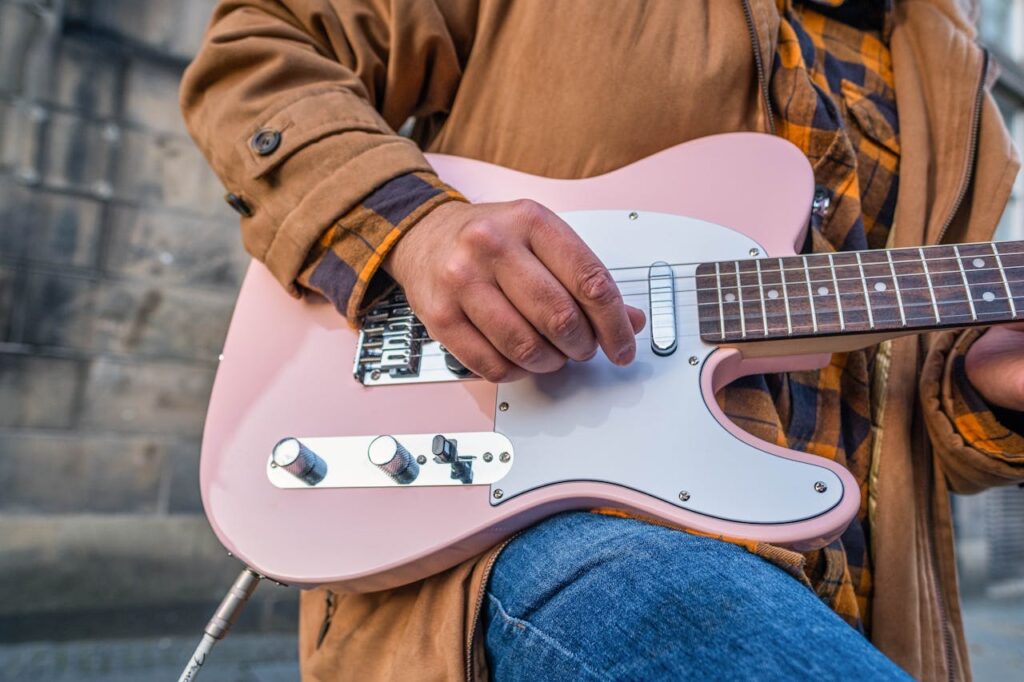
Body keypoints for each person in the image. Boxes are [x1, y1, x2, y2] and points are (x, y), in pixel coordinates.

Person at [180, 1, 1024, 679]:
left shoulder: (957, 80)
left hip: (856, 597)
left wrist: (990, 388)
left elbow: (921, 415)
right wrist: (413, 228)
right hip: (529, 537)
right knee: (665, 594)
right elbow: (262, 48)